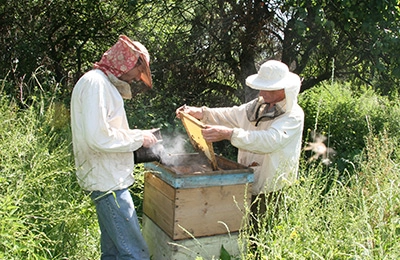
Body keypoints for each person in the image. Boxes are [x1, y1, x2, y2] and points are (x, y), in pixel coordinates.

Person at [176, 60, 304, 225]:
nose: (261, 92)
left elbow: (270, 140)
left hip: (272, 186)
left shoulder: (292, 115)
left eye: (267, 88)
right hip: (247, 177)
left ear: (282, 89)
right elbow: (231, 114)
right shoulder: (259, 105)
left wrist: (229, 134)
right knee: (242, 228)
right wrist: (201, 112)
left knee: (263, 233)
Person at [70, 35, 158, 260]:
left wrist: (140, 135)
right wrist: (139, 138)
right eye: (137, 70)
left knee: (112, 251)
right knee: (134, 253)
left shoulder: (102, 83)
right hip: (108, 182)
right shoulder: (95, 84)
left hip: (108, 178)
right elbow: (98, 137)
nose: (136, 77)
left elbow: (106, 130)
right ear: (127, 61)